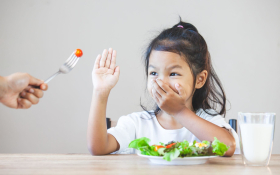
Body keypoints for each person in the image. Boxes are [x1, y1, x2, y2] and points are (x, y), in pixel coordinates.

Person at [87, 19, 239, 156]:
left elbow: (228, 146)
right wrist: (100, 92)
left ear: (200, 79)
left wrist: (179, 110)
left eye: (173, 73)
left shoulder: (209, 121)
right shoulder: (137, 123)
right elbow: (98, 148)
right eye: (154, 73)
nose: (161, 82)